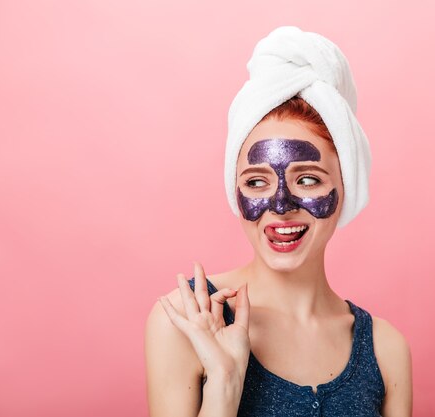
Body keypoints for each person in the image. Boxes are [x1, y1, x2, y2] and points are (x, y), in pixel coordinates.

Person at [145, 26, 412, 417]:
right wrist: (224, 383)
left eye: (307, 179)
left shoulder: (385, 350)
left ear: (346, 184)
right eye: (256, 182)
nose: (280, 206)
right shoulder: (188, 321)